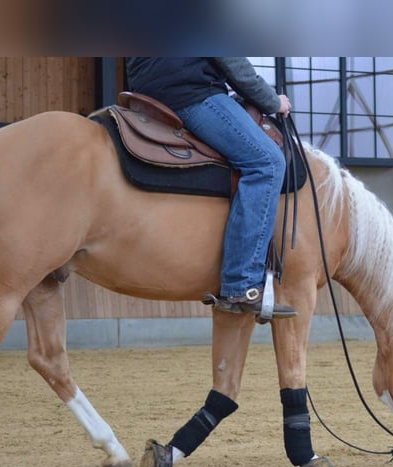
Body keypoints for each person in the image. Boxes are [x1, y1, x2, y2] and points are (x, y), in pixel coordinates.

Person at [125, 57, 296, 319]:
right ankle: (243, 284)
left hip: (144, 94)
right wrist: (273, 101)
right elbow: (233, 62)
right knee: (268, 163)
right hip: (190, 95)